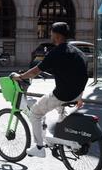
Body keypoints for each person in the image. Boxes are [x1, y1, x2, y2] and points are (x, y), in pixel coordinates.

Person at [11, 22, 88, 158]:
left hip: (63, 95)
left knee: (35, 112)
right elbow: (84, 76)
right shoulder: (78, 52)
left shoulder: (56, 53)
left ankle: (39, 147)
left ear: (57, 35)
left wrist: (20, 77)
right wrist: (80, 96)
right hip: (76, 94)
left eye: (51, 32)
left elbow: (35, 71)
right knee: (58, 110)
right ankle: (60, 136)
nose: (50, 35)